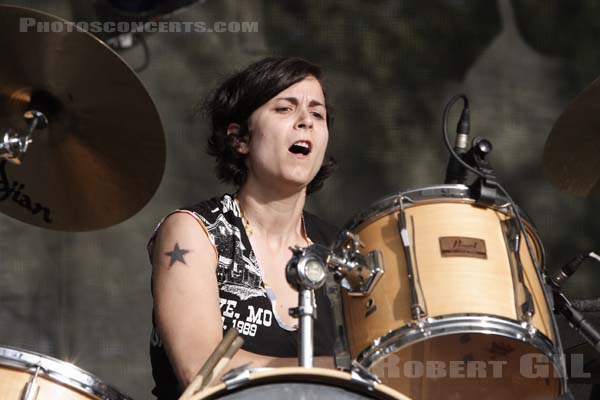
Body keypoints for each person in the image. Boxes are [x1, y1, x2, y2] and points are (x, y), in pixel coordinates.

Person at [148, 56, 338, 399]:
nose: (305, 122)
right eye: (285, 108)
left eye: (317, 113)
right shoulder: (195, 231)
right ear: (240, 139)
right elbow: (201, 369)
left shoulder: (342, 254)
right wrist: (344, 372)